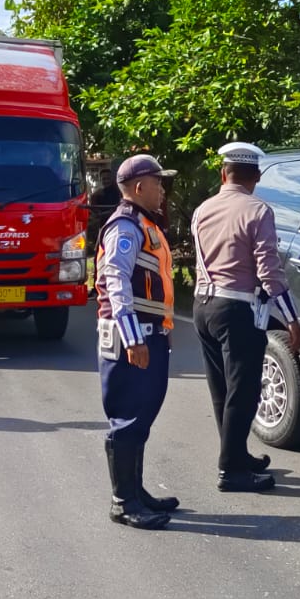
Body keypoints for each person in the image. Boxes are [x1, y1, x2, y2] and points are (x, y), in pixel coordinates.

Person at [190, 142, 300, 493]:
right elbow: (269, 271)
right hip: (238, 309)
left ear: (223, 174)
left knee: (222, 389)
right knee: (244, 391)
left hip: (203, 306)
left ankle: (235, 454)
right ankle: (231, 470)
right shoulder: (258, 211)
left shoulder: (202, 210)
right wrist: (291, 318)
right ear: (256, 177)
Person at [93, 154, 179, 530]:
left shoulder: (144, 223)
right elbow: (117, 282)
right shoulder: (125, 226)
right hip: (131, 336)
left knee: (142, 415)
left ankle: (135, 491)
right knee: (127, 417)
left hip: (147, 332)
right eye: (158, 183)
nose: (163, 190)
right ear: (140, 186)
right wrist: (133, 337)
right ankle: (123, 501)